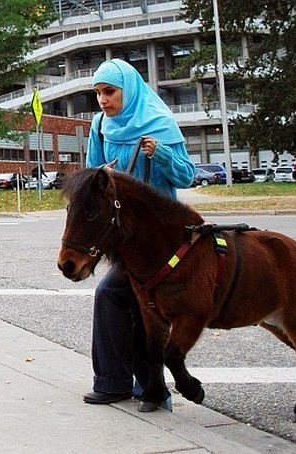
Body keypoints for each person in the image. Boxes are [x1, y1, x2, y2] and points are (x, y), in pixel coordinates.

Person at [82, 59, 196, 410]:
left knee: (131, 300)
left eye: (109, 92)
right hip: (126, 237)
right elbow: (91, 175)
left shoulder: (159, 123)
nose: (102, 100)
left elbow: (187, 176)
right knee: (113, 296)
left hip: (162, 237)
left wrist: (160, 155)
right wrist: (100, 174)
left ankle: (150, 387)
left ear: (128, 91)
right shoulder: (101, 125)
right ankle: (117, 383)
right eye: (98, 93)